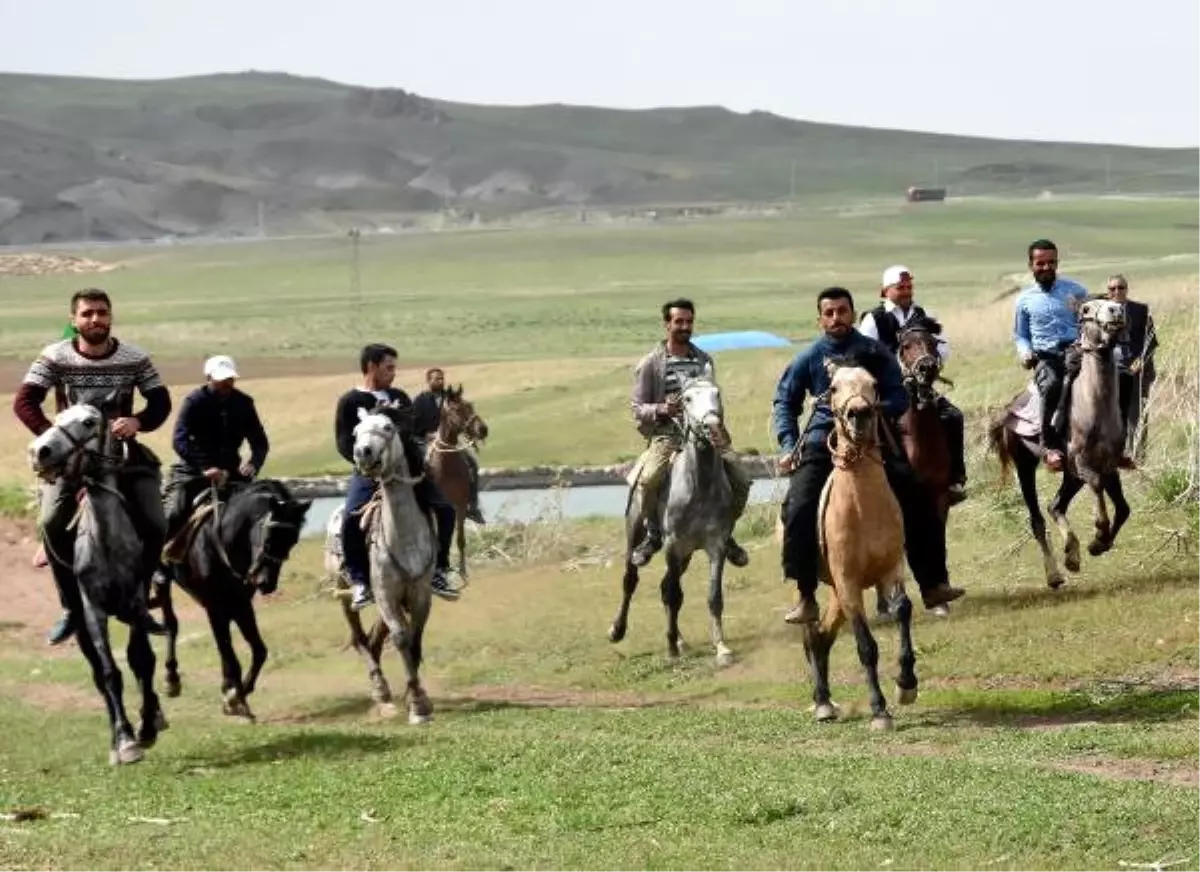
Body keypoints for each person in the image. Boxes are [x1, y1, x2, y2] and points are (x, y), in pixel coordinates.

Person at [773, 286, 966, 625]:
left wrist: (873, 410)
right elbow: (785, 403)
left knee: (917, 493)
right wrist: (790, 444)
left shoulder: (873, 351)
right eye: (829, 313)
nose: (837, 318)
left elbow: (898, 395)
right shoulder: (809, 357)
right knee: (798, 504)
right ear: (820, 319)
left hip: (877, 439)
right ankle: (806, 594)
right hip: (824, 439)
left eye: (842, 311)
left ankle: (933, 583)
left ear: (852, 313)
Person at [12, 288, 170, 645]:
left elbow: (160, 401)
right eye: (87, 314)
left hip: (122, 455)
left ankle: (141, 600)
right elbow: (24, 402)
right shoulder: (54, 356)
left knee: (156, 523)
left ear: (111, 317)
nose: (95, 319)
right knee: (51, 522)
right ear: (74, 320)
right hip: (70, 462)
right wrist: (54, 438)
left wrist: (138, 422)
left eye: (101, 312)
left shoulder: (134, 357)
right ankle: (70, 607)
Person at [629, 298, 751, 568]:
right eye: (679, 322)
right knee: (648, 479)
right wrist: (662, 409)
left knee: (741, 480)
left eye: (689, 321)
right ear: (667, 325)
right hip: (667, 435)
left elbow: (714, 401)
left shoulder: (703, 361)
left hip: (706, 436)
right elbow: (637, 408)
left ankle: (725, 533)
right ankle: (652, 534)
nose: (685, 326)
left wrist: (719, 429)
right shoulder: (651, 363)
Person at [334, 343, 457, 610]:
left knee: (445, 510)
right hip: (368, 473)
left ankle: (440, 571)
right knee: (350, 518)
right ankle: (360, 581)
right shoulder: (350, 401)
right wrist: (368, 466)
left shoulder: (399, 396)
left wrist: (422, 462)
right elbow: (344, 442)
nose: (393, 373)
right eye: (389, 367)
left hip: (407, 472)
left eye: (394, 368)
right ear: (372, 367)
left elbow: (410, 436)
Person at [859, 264, 967, 504]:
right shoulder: (873, 319)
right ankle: (873, 479)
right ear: (885, 291)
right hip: (888, 388)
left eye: (909, 286)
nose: (906, 291)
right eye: (900, 287)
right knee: (873, 425)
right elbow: (865, 355)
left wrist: (931, 364)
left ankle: (955, 477)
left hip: (923, 385)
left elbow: (944, 346)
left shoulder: (924, 313)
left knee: (954, 417)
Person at [158, 355, 270, 581]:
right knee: (172, 513)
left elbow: (259, 441)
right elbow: (179, 440)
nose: (226, 384)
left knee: (264, 514)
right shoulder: (194, 401)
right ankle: (158, 566)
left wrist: (253, 464)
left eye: (230, 379)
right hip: (193, 472)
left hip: (231, 473)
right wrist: (205, 467)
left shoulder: (243, 403)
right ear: (208, 378)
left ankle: (263, 567)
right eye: (221, 380)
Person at [1012, 239, 1092, 472]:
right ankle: (1050, 447)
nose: (1046, 267)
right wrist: (1025, 352)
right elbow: (1021, 335)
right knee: (1053, 384)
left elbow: (1087, 323)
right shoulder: (1024, 300)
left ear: (1057, 262)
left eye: (1051, 262)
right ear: (1031, 265)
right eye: (1040, 263)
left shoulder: (1077, 291)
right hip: (1046, 357)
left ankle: (1117, 441)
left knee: (1115, 377)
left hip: (1077, 351)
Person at [412, 367, 486, 525]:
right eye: (436, 378)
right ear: (428, 381)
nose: (440, 381)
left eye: (441, 378)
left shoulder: (451, 398)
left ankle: (472, 505)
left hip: (450, 442)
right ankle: (419, 501)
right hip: (427, 441)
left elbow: (462, 420)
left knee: (472, 464)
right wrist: (429, 434)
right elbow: (414, 426)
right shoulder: (420, 400)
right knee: (418, 466)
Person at [1107, 274, 1157, 458]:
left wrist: (1142, 359)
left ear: (1126, 289)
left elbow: (1151, 340)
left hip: (1137, 369)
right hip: (1112, 369)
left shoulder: (1140, 310)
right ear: (1108, 292)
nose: (1117, 292)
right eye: (1112, 288)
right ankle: (1117, 455)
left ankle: (1138, 455)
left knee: (1137, 413)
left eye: (1120, 287)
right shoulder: (1102, 311)